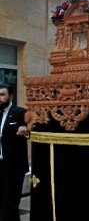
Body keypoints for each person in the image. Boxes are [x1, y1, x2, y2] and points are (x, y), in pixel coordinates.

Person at [0, 83, 30, 221]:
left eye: (2, 95)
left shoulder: (20, 112)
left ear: (11, 96)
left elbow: (31, 131)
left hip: (13, 167)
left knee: (10, 204)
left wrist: (26, 131)